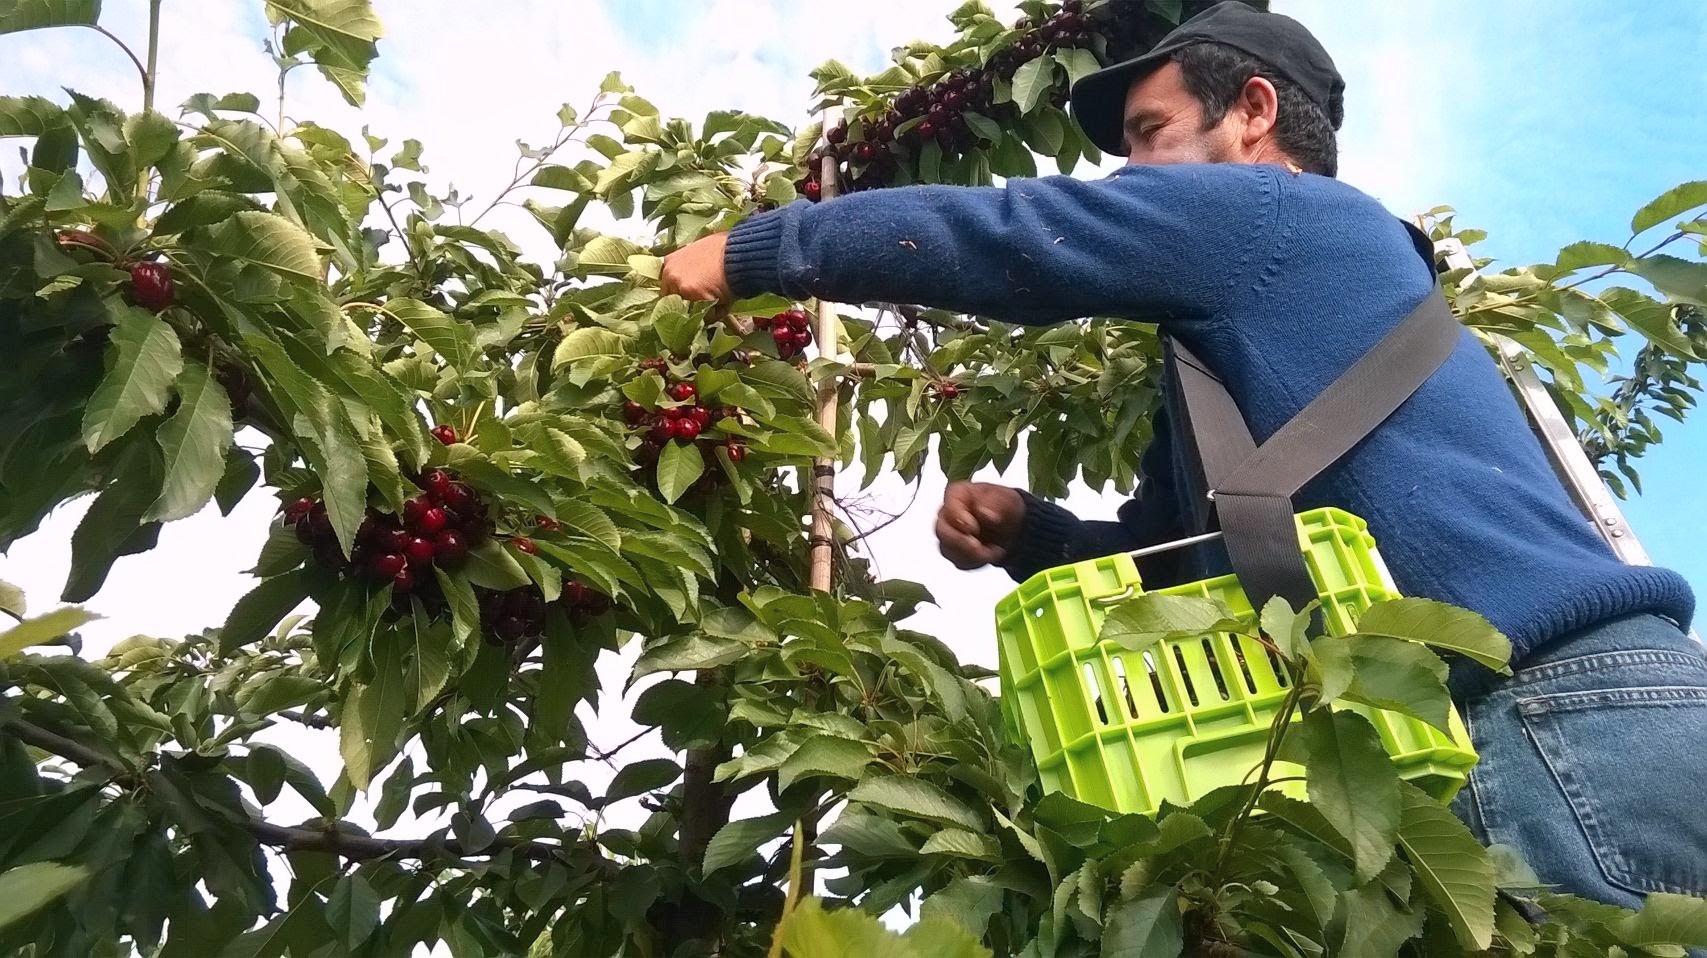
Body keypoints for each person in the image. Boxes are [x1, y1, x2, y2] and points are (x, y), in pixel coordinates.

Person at [662, 0, 1706, 918]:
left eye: (1150, 133)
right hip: (1605, 712)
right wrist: (1034, 532)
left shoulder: (1280, 213)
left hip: (1539, 718)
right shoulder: (1253, 342)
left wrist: (761, 251)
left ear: (1253, 113)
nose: (1129, 172)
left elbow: (1020, 231)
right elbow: (1180, 561)